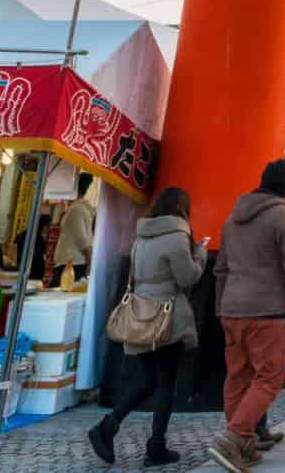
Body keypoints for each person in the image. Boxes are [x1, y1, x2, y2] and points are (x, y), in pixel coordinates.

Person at [209, 159, 285, 473]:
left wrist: (220, 306)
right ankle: (234, 438)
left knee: (238, 378)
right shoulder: (283, 216)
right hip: (266, 309)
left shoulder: (234, 218)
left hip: (232, 308)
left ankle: (242, 447)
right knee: (270, 377)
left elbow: (221, 270)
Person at [90, 186, 206, 468]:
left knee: (147, 380)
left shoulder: (141, 237)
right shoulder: (178, 237)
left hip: (140, 313)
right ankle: (156, 446)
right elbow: (186, 277)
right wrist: (200, 252)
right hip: (166, 318)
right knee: (166, 382)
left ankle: (109, 424)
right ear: (182, 209)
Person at [56, 173, 96, 277]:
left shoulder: (76, 209)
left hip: (71, 265)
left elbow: (82, 240)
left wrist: (89, 265)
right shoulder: (81, 208)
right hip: (74, 263)